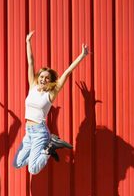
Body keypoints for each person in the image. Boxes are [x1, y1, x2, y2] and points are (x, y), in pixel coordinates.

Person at [13, 31, 90, 175]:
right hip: (28, 133)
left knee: (33, 169)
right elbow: (30, 62)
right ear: (38, 77)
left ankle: (49, 148)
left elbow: (66, 73)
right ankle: (45, 149)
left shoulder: (50, 94)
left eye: (47, 78)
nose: (43, 79)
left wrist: (82, 56)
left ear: (50, 80)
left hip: (40, 132)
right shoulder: (32, 87)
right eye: (41, 76)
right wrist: (27, 42)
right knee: (17, 163)